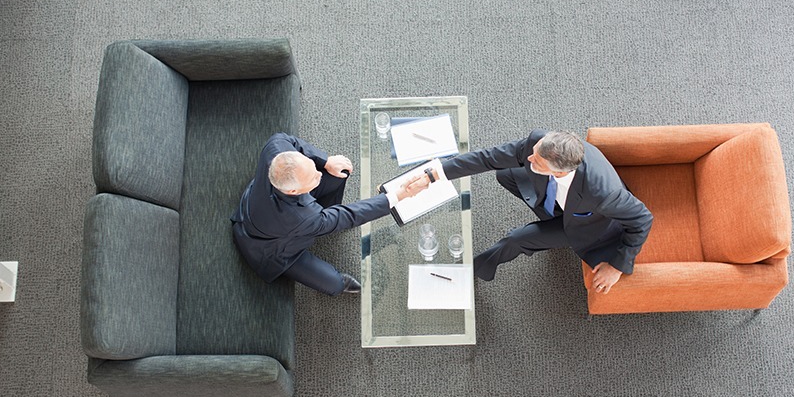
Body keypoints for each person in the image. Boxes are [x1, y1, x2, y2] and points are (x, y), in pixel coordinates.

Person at [425, 129, 653, 294]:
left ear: (560, 172)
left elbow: (642, 219)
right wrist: (435, 174)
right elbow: (488, 158)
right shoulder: (539, 143)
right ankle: (549, 214)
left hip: (587, 226)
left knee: (515, 239)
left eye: (537, 162)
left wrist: (616, 267)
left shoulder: (603, 193)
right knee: (505, 173)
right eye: (533, 153)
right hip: (563, 201)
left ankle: (471, 271)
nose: (529, 158)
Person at [230, 133, 428, 295]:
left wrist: (326, 162)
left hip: (263, 200)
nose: (318, 174)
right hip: (273, 249)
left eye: (312, 167)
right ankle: (337, 282)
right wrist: (398, 196)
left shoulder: (275, 146)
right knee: (333, 284)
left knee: (338, 171)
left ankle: (325, 211)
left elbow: (291, 141)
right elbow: (348, 216)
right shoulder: (302, 217)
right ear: (292, 191)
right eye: (312, 178)